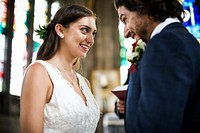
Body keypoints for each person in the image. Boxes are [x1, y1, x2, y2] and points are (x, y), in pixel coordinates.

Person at [113, 0, 200, 132]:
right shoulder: (186, 39)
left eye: (125, 19)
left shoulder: (165, 43)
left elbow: (156, 126)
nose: (125, 33)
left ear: (142, 5)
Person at [20, 4, 100, 133]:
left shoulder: (85, 83)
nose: (91, 40)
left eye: (94, 33)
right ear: (60, 30)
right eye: (84, 30)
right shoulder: (39, 72)